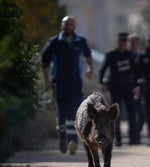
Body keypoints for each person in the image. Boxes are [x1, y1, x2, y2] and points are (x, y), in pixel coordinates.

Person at [42, 16, 94, 154]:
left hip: (75, 83)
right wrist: (47, 81)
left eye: (71, 24)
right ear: (61, 26)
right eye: (66, 24)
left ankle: (73, 141)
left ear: (74, 26)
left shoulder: (80, 42)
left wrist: (90, 68)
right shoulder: (54, 43)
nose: (68, 27)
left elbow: (88, 55)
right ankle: (62, 138)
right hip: (58, 83)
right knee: (61, 113)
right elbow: (45, 62)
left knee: (74, 110)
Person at [99, 32, 138, 146]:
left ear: (126, 43)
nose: (123, 44)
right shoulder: (111, 54)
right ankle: (118, 138)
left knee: (131, 112)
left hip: (128, 87)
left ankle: (133, 138)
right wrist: (101, 82)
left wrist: (136, 85)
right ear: (117, 42)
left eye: (125, 42)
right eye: (121, 42)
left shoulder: (130, 55)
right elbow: (103, 69)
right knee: (115, 114)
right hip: (115, 86)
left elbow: (135, 72)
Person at [128, 33, 145, 143]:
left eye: (135, 41)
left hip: (139, 88)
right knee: (131, 113)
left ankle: (137, 133)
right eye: (131, 41)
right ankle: (133, 136)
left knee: (141, 114)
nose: (133, 44)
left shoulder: (142, 55)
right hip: (127, 87)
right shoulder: (125, 55)